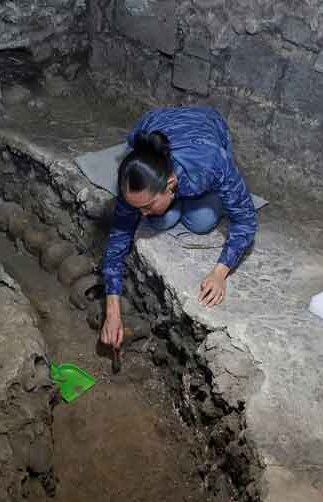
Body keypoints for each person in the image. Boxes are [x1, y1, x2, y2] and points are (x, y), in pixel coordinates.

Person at [99, 106, 257, 350]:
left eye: (147, 205)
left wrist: (220, 272)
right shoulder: (135, 180)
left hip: (207, 126)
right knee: (161, 219)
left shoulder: (210, 163)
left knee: (202, 221)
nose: (139, 214)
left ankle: (184, 202)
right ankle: (169, 206)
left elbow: (245, 219)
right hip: (156, 121)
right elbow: (119, 240)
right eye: (138, 206)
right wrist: (112, 311)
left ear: (170, 184)